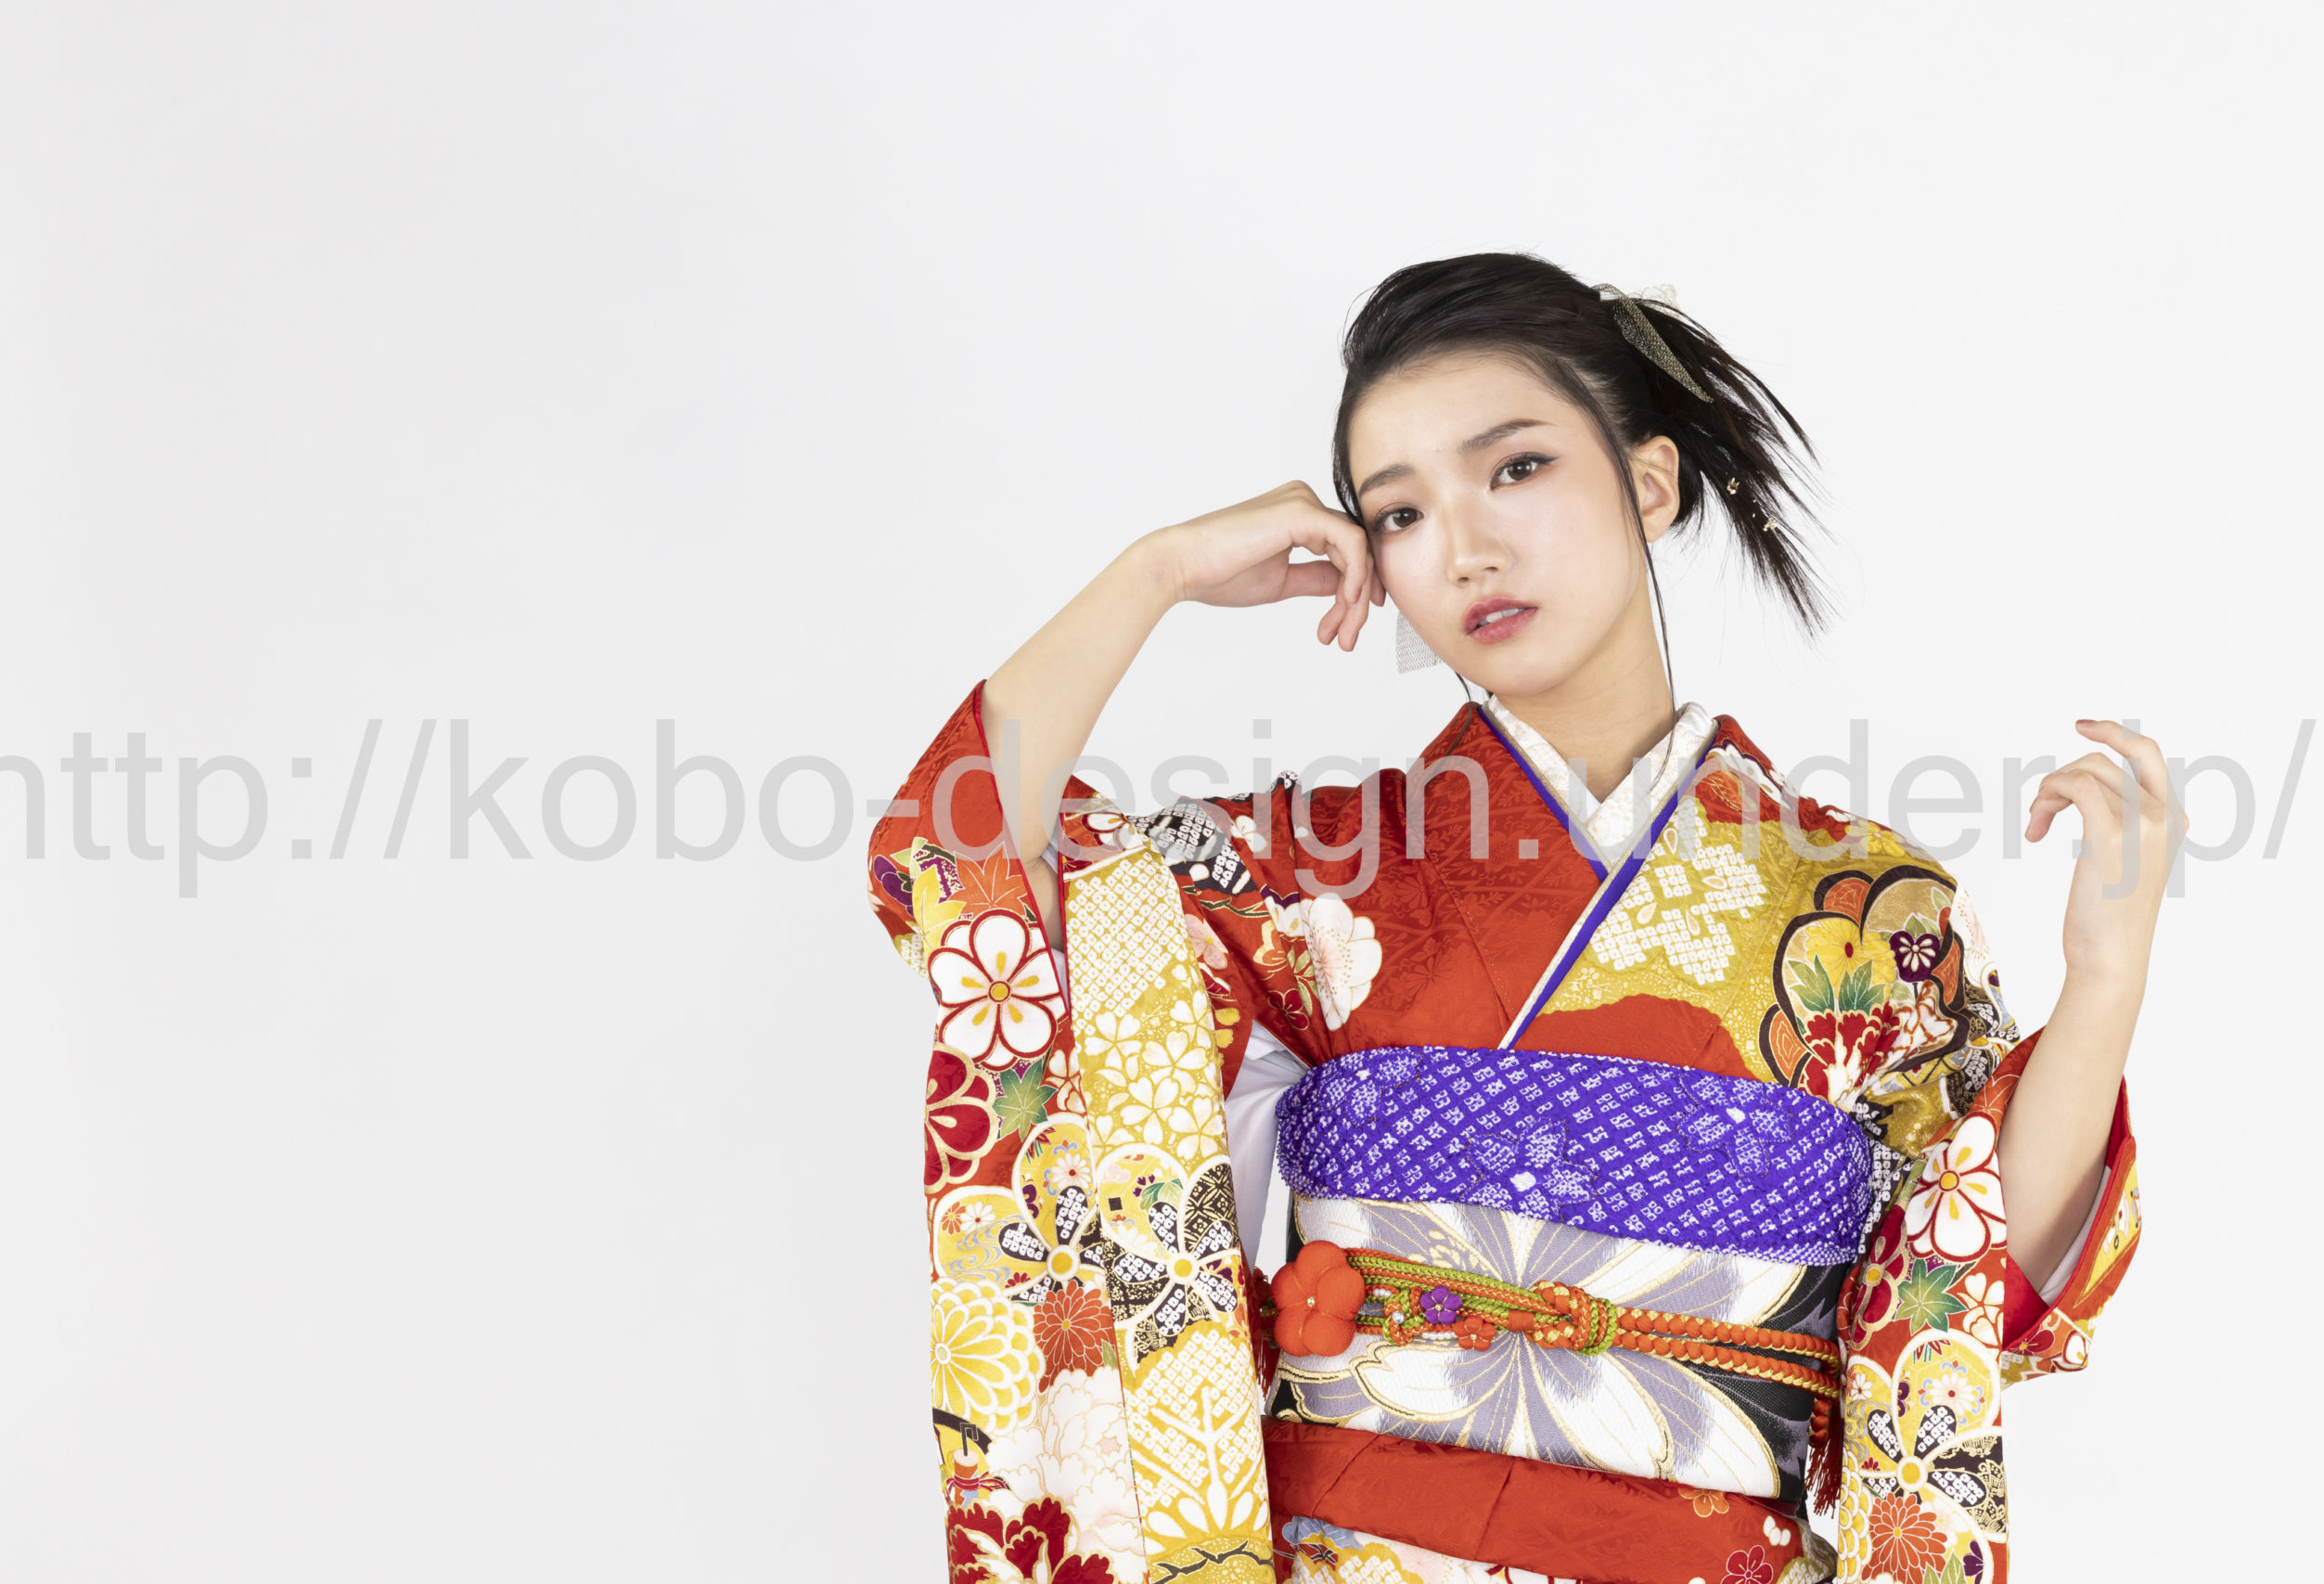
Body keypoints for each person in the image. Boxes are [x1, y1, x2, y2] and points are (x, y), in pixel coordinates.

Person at [867, 252, 2167, 1584]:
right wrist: (1155, 572)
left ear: (1649, 483)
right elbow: (956, 865)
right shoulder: (1309, 874)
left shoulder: (1868, 907)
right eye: (1401, 512)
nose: (1466, 549)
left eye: (1517, 467)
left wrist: (2106, 977)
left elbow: (1972, 1268)